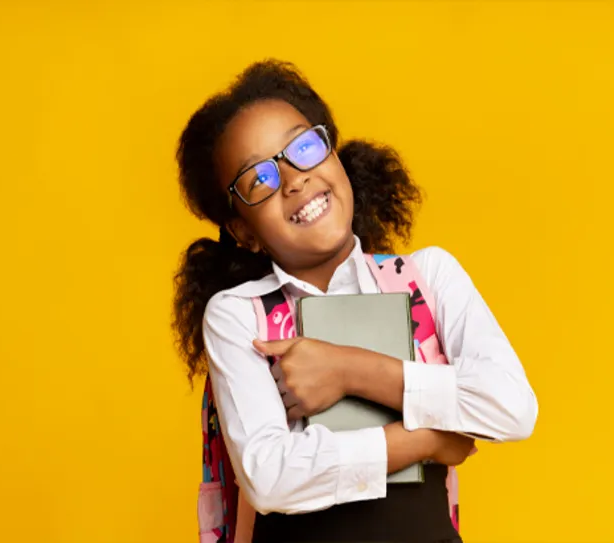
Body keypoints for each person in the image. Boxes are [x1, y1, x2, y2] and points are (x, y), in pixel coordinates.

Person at [173, 59, 538, 543]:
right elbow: (268, 477)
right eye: (259, 179)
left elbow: (511, 407)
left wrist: (350, 370)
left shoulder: (428, 276)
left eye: (304, 147)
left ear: (335, 156)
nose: (293, 179)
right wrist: (423, 439)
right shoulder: (241, 315)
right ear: (243, 231)